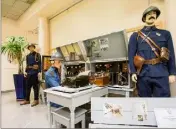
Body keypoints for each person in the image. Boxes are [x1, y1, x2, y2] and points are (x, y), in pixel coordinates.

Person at [128, 6, 176, 97]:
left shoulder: (165, 34)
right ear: (144, 18)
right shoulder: (135, 36)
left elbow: (171, 54)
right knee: (145, 103)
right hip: (143, 74)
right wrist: (133, 72)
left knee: (163, 103)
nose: (152, 15)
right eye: (149, 14)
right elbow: (131, 55)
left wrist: (172, 73)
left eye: (154, 14)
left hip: (161, 73)